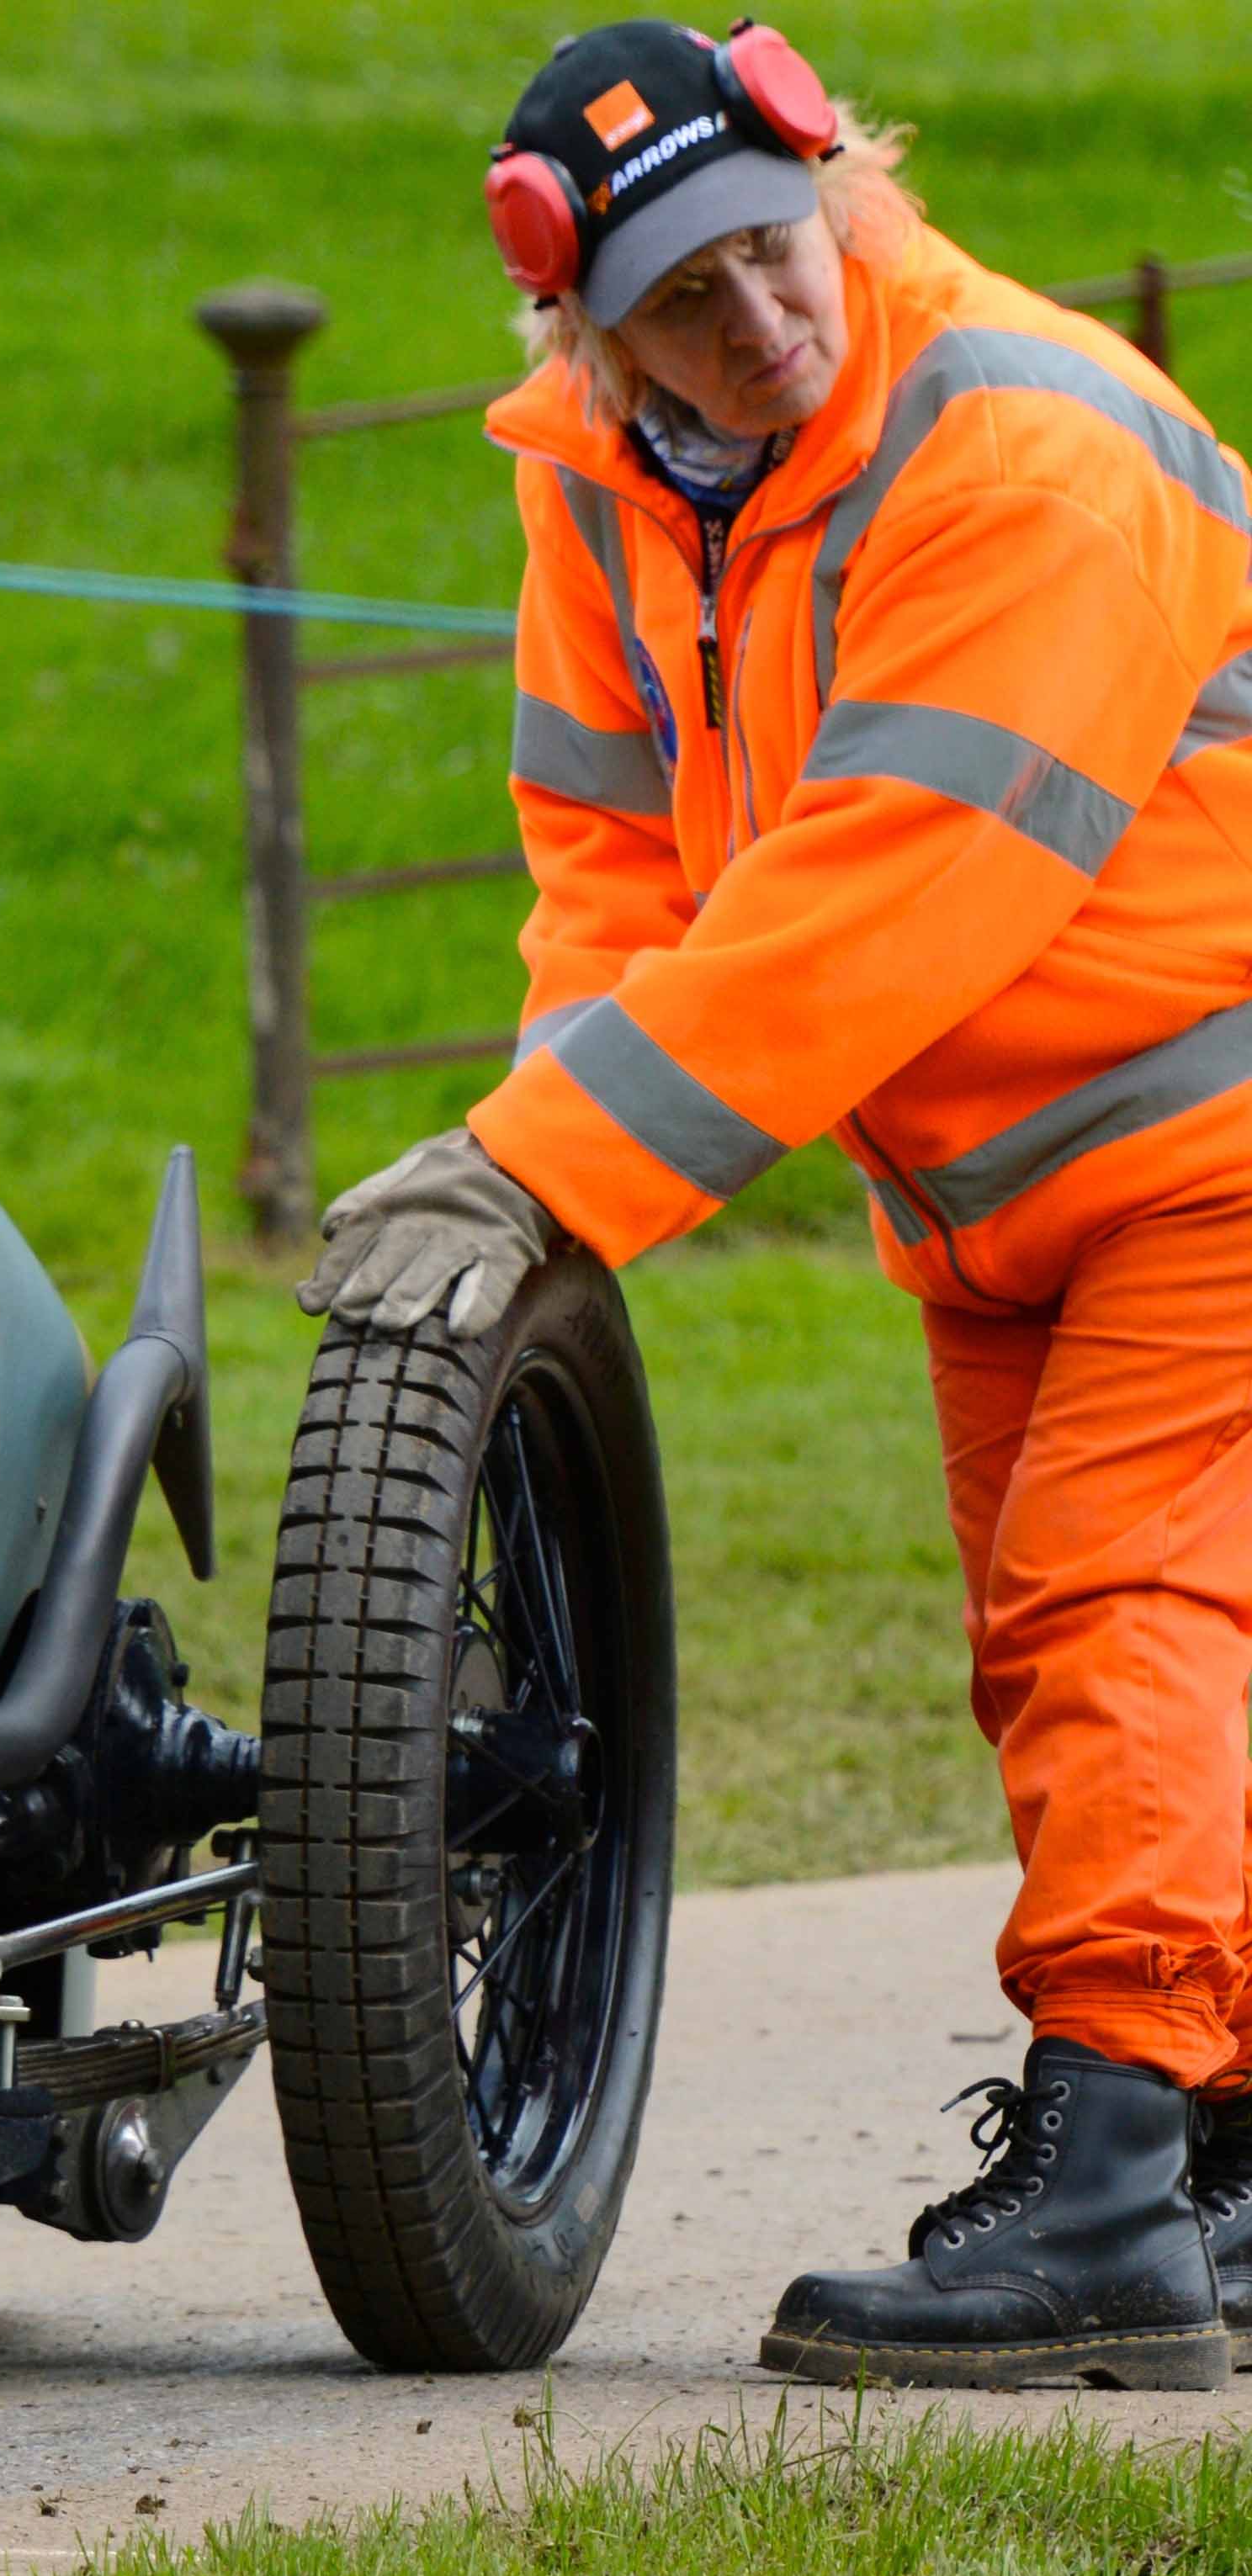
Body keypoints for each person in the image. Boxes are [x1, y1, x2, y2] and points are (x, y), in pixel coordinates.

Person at [306, 19, 1252, 2388]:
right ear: (583, 333)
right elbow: (613, 871)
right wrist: (550, 1177)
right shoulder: (610, 491)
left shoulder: (1024, 443)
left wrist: (544, 1164)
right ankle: (1224, 2156)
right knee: (1081, 1662)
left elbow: (884, 895)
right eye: (689, 300)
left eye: (776, 251)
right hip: (1011, 1178)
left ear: (843, 183)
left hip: (1212, 1147)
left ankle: (1121, 2196)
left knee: (1124, 1608)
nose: (763, 321)